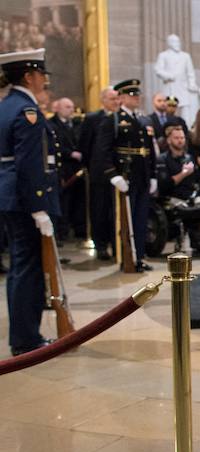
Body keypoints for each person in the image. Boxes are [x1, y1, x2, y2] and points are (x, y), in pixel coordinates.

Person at [0, 49, 61, 354]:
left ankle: (23, 335)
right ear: (29, 75)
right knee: (28, 268)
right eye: (41, 74)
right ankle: (26, 340)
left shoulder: (6, 105)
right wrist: (38, 206)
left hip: (10, 197)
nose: (43, 79)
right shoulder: (27, 110)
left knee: (19, 266)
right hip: (25, 200)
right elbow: (28, 164)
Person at [96, 78, 157, 272]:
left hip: (142, 176)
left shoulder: (143, 120)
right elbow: (103, 151)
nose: (136, 97)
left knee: (140, 219)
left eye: (137, 94)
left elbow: (149, 150)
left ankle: (139, 256)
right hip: (126, 175)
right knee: (125, 219)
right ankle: (126, 257)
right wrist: (113, 175)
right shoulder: (113, 120)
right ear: (121, 97)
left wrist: (153, 175)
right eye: (132, 94)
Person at [78, 86, 118, 259]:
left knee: (115, 210)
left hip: (118, 172)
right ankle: (101, 244)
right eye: (111, 99)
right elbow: (85, 145)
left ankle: (116, 243)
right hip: (99, 172)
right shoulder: (93, 118)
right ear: (103, 100)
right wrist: (92, 166)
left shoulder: (121, 118)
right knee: (99, 209)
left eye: (117, 99)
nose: (115, 102)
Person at [47, 96, 85, 240]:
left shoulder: (76, 124)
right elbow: (55, 147)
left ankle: (79, 228)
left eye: (72, 107)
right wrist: (70, 153)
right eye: (67, 107)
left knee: (79, 201)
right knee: (64, 201)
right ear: (58, 108)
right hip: (63, 167)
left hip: (78, 169)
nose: (71, 110)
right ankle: (62, 231)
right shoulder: (52, 124)